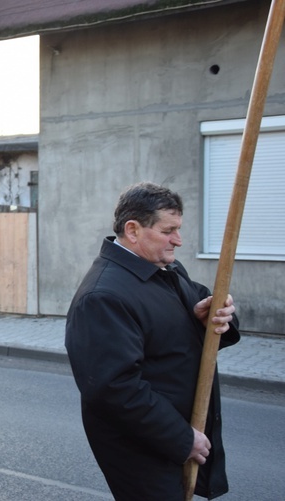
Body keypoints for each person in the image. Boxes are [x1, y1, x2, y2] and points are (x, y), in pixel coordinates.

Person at [64, 182, 240, 500]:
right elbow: (115, 389)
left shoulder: (164, 269)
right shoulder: (103, 296)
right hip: (141, 449)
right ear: (133, 230)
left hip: (170, 440)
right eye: (168, 230)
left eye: (178, 229)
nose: (179, 240)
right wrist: (181, 438)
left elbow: (205, 310)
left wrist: (217, 316)